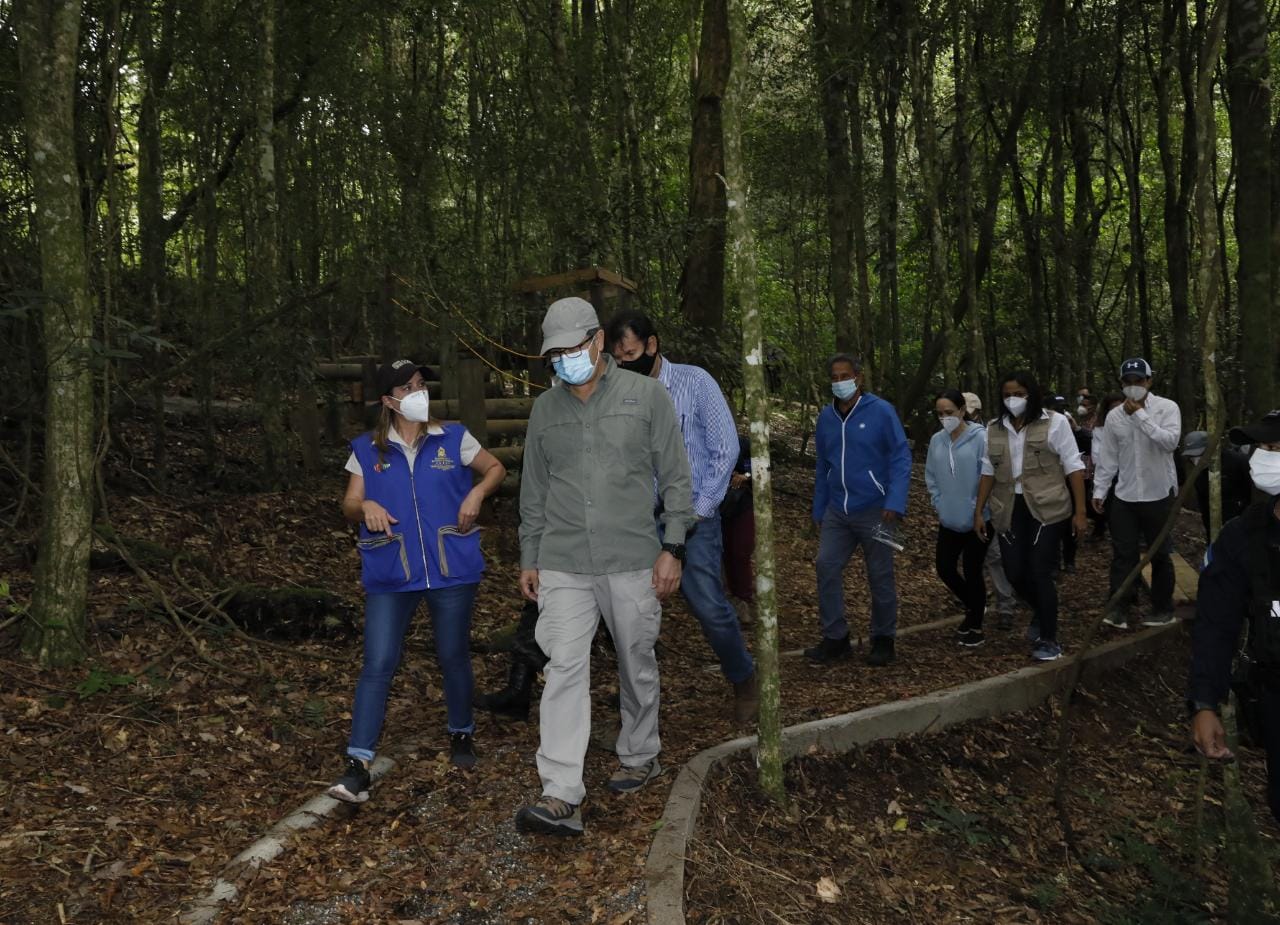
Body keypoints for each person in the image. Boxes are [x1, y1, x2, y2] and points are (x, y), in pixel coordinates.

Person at [515, 297, 694, 837]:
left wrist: (674, 546)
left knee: (635, 659)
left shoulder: (646, 397)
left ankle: (640, 753)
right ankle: (560, 790)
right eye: (556, 354)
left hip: (632, 557)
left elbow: (677, 477)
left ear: (597, 341)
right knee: (564, 666)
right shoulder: (545, 411)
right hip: (564, 560)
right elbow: (534, 491)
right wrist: (530, 555)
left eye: (573, 348)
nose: (565, 360)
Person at [328, 359, 507, 803]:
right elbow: (349, 504)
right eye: (408, 387)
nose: (418, 391)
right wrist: (364, 505)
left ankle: (461, 733)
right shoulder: (366, 450)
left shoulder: (455, 437)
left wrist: (476, 493)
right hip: (392, 569)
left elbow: (496, 469)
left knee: (453, 654)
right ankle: (357, 765)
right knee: (378, 662)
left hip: (450, 565)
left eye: (421, 383)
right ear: (389, 400)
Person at [605, 311, 757, 722]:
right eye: (617, 358)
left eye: (631, 353)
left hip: (694, 515)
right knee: (626, 610)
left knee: (707, 604)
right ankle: (636, 697)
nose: (624, 363)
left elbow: (724, 451)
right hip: (638, 521)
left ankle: (744, 676)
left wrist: (699, 512)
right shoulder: (617, 392)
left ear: (652, 346)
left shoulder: (695, 382)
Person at [1188, 410, 1280, 824]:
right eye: (1263, 447)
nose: (1264, 456)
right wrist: (1205, 702)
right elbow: (1215, 623)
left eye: (1276, 448)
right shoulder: (1244, 537)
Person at [807, 354, 912, 666]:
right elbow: (823, 465)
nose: (840, 382)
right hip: (838, 510)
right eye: (835, 377)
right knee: (826, 565)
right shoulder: (826, 418)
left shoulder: (880, 411)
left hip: (876, 510)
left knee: (880, 574)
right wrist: (818, 509)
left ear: (859, 378)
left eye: (845, 376)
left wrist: (894, 501)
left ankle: (883, 638)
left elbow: (900, 456)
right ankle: (836, 638)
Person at [975, 370, 1087, 661]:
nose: (1013, 400)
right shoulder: (994, 427)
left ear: (1032, 394)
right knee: (1014, 572)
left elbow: (1073, 466)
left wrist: (1080, 511)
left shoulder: (1055, 423)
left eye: (1019, 394)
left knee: (1040, 569)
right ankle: (1042, 609)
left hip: (1048, 507)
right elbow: (988, 471)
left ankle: (1049, 637)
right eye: (1007, 395)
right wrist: (979, 511)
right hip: (1009, 507)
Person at [1092, 358, 1182, 630]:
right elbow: (1109, 457)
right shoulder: (1113, 416)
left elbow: (1169, 442)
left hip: (1158, 494)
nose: (1134, 387)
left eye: (1139, 381)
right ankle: (1119, 606)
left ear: (1149, 381)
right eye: (1128, 382)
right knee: (1123, 554)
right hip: (1125, 495)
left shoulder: (1167, 408)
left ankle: (1162, 608)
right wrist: (1100, 490)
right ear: (1122, 384)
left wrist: (1140, 416)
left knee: (1160, 553)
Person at [925, 389, 992, 646]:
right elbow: (931, 476)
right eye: (940, 414)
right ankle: (975, 605)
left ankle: (975, 623)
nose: (945, 418)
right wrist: (939, 503)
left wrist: (979, 509)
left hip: (979, 518)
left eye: (949, 413)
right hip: (949, 518)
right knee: (944, 567)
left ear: (963, 411)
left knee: (973, 570)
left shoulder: (981, 438)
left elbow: (988, 475)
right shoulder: (936, 440)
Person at [965, 392, 1019, 627]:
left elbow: (994, 471)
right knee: (970, 559)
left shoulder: (987, 434)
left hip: (990, 507)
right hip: (963, 510)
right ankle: (974, 601)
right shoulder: (947, 438)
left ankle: (1006, 604)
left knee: (995, 556)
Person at [1182, 430, 1253, 542]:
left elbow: (1253, 493)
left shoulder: (1239, 462)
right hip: (1217, 528)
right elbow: (1205, 508)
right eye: (1192, 457)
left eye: (1199, 454)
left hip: (1244, 523)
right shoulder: (1199, 475)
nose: (1196, 460)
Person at [720, 433, 756, 626]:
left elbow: (763, 467)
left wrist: (745, 477)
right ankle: (727, 596)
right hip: (714, 506)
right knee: (722, 550)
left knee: (740, 550)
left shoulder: (743, 444)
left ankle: (743, 598)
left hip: (740, 503)